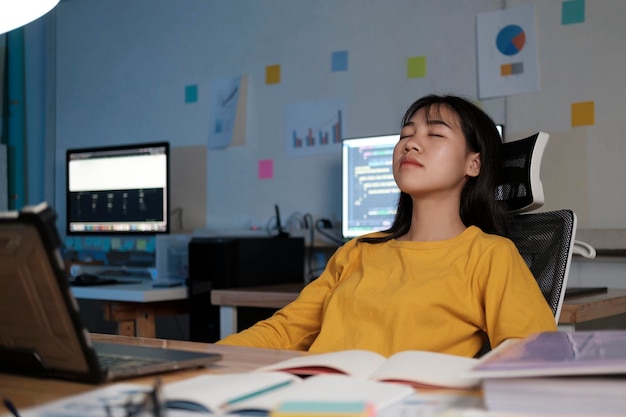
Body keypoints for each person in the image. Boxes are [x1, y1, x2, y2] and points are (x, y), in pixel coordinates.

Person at [217, 94, 557, 358]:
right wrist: (208, 359)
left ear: (473, 163)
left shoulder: (489, 255)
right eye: (405, 134)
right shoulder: (357, 251)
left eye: (435, 133)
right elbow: (285, 332)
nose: (410, 143)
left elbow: (534, 354)